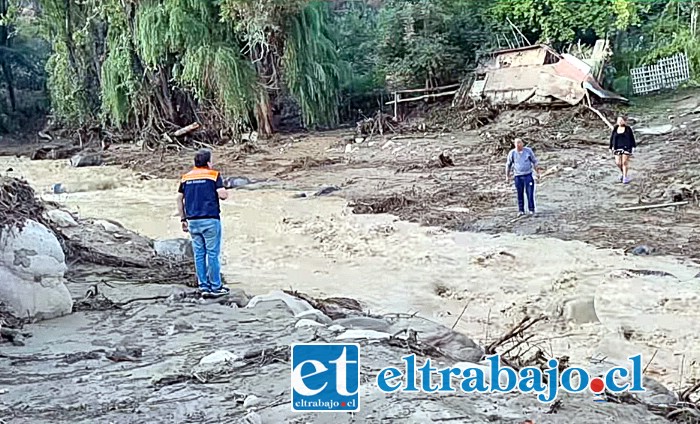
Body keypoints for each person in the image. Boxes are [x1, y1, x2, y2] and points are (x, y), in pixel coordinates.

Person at [177, 149, 230, 297]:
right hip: (210, 220)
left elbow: (179, 199)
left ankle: (203, 286)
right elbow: (222, 195)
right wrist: (225, 191)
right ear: (208, 162)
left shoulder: (185, 177)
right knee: (212, 254)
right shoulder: (214, 175)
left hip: (193, 221)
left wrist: (183, 218)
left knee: (199, 255)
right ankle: (216, 287)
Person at [505, 138, 541, 216]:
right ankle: (521, 210)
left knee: (530, 193)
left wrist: (537, 173)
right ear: (514, 144)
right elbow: (508, 165)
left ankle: (532, 209)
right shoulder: (512, 153)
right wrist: (507, 176)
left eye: (520, 143)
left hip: (528, 175)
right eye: (517, 143)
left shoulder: (528, 151)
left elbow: (534, 161)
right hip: (518, 176)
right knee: (519, 193)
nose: (518, 144)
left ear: (522, 143)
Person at [609, 116, 636, 184]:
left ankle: (624, 177)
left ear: (624, 121)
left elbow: (632, 138)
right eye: (618, 120)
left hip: (626, 147)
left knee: (624, 163)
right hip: (617, 147)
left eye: (621, 120)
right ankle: (624, 173)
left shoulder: (628, 129)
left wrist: (633, 147)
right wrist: (610, 147)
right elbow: (612, 138)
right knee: (618, 163)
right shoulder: (615, 128)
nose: (620, 122)